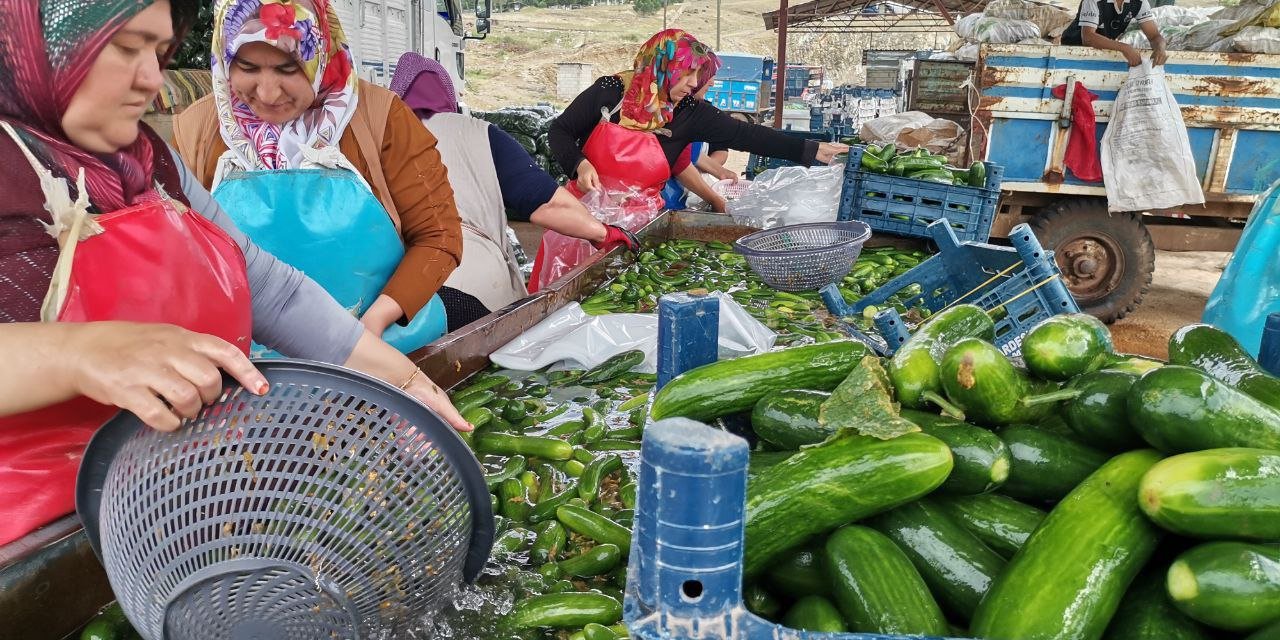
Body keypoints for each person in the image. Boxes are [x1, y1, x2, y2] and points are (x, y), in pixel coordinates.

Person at [0, 0, 468, 547]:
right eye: (126, 48)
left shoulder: (152, 165)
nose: (152, 79)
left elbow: (271, 290)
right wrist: (77, 354)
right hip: (39, 543)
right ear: (38, 42)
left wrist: (401, 379)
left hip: (190, 507)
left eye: (159, 50)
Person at [173, 0, 462, 354]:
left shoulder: (380, 119)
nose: (267, 92)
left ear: (320, 54)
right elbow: (176, 250)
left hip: (385, 348)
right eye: (247, 67)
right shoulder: (197, 130)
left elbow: (439, 236)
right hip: (249, 365)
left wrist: (371, 327)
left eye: (288, 68)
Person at [544, 29, 846, 290]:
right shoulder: (610, 92)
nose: (693, 83)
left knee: (622, 292)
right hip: (582, 218)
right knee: (566, 290)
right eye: (686, 73)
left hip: (639, 224)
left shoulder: (690, 111)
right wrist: (579, 164)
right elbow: (559, 131)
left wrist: (810, 150)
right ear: (662, 66)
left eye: (697, 75)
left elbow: (746, 135)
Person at [387, 53, 640, 330]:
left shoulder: (380, 139)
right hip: (473, 289)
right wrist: (604, 233)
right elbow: (547, 205)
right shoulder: (477, 133)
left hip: (398, 295)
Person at [1061, 0, 1168, 67]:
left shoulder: (1140, 2)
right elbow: (1088, 38)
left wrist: (1160, 47)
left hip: (1104, 50)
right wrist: (1125, 48)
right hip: (1072, 51)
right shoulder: (1093, 1)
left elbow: (1154, 36)